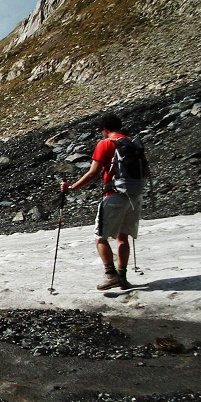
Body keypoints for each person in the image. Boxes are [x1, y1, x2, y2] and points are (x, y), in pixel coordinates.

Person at [60, 113, 144, 291]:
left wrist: (72, 188)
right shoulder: (132, 143)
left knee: (100, 237)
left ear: (104, 130)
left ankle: (111, 275)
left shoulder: (106, 143)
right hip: (134, 195)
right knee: (123, 238)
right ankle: (122, 277)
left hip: (114, 195)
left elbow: (93, 173)